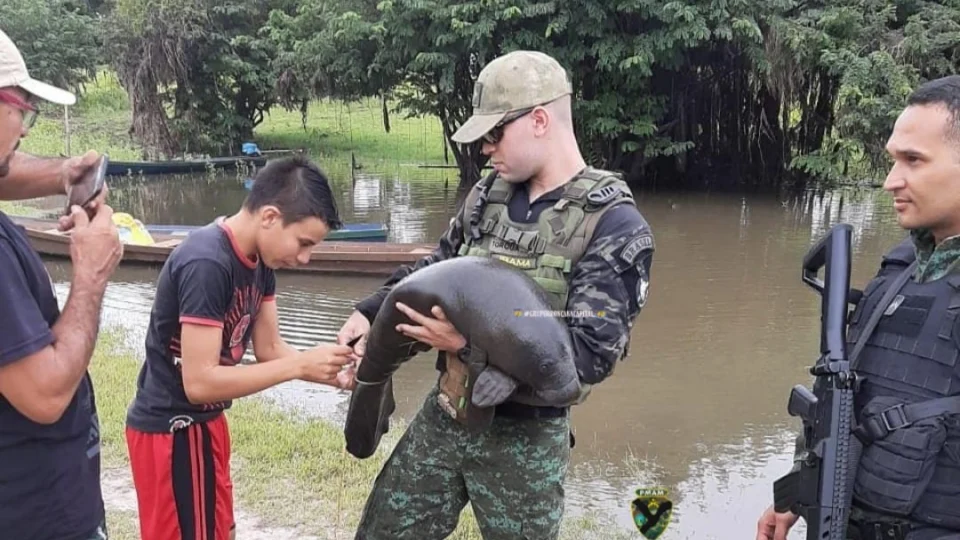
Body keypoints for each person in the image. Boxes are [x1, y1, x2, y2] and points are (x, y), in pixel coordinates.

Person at [337, 50, 656, 539]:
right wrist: (371, 309)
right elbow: (438, 265)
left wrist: (462, 343)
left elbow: (587, 361)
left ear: (540, 120)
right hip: (447, 413)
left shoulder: (613, 226)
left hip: (525, 444)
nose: (485, 148)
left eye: (494, 134)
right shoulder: (488, 196)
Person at [757, 75, 960, 540]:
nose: (891, 182)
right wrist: (795, 493)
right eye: (893, 161)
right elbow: (839, 394)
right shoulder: (902, 267)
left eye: (913, 161)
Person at [124, 156, 357, 540]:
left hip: (207, 423)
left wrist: (336, 373)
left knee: (220, 531)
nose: (305, 258)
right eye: (303, 243)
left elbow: (269, 349)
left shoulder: (260, 261)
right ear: (269, 217)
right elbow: (198, 383)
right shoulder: (207, 262)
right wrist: (299, 367)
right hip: (173, 429)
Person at [0, 28, 124, 540]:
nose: (26, 130)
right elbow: (45, 394)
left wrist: (63, 174)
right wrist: (91, 275)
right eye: (22, 109)